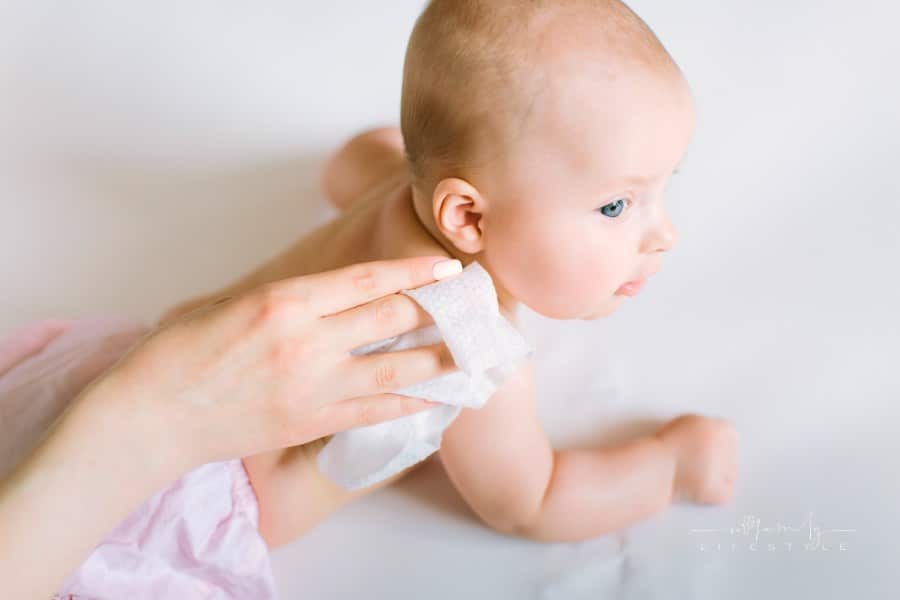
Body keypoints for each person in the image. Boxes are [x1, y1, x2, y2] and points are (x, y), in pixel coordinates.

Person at [161, 0, 739, 551]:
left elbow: (353, 156)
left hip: (158, 360)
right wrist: (670, 466)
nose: (665, 234)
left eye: (662, 188)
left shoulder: (396, 187)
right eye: (616, 206)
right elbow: (530, 501)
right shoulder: (467, 342)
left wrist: (438, 141)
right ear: (466, 216)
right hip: (203, 499)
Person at [0, 256, 464, 599]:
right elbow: (519, 505)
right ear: (464, 211)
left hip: (116, 401)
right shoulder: (470, 308)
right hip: (118, 384)